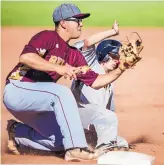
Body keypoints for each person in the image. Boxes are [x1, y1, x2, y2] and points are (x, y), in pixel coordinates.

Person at [3, 3, 130, 161]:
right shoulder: (47, 37)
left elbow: (97, 81)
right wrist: (58, 68)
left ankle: (17, 132)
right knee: (62, 92)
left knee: (59, 141)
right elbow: (26, 57)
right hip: (18, 90)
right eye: (77, 20)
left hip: (39, 103)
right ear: (63, 22)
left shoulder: (73, 55)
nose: (81, 24)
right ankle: (75, 149)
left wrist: (121, 69)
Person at [71, 22, 129, 150]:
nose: (116, 61)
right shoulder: (91, 66)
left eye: (118, 58)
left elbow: (109, 113)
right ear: (103, 54)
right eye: (113, 56)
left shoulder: (109, 82)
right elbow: (88, 42)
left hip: (92, 124)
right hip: (77, 117)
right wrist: (113, 31)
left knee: (122, 143)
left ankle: (95, 144)